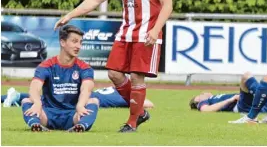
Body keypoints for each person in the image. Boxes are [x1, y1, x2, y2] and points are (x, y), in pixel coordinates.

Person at [54, 0, 173, 132]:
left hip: (147, 34)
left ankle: (132, 122)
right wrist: (70, 14)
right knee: (114, 74)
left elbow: (167, 5)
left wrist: (155, 29)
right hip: (125, 32)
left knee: (136, 77)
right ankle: (140, 111)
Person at [21, 25, 99, 132]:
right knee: (27, 100)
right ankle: (36, 125)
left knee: (93, 101)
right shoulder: (46, 65)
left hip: (73, 116)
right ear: (63, 42)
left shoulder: (85, 68)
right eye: (74, 41)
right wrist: (37, 103)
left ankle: (80, 126)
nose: (78, 46)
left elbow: (86, 89)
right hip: (47, 115)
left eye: (80, 42)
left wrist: (80, 106)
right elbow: (34, 88)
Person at [189, 73, 267, 121]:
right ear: (198, 100)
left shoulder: (214, 98)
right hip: (240, 104)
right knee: (246, 77)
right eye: (200, 95)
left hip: (250, 102)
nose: (203, 93)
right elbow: (205, 110)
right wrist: (230, 99)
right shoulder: (204, 102)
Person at [3, 87, 155, 109]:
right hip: (85, 98)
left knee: (47, 99)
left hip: (85, 95)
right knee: (46, 101)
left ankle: (14, 96)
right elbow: (149, 104)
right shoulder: (123, 97)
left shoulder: (115, 88)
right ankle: (15, 96)